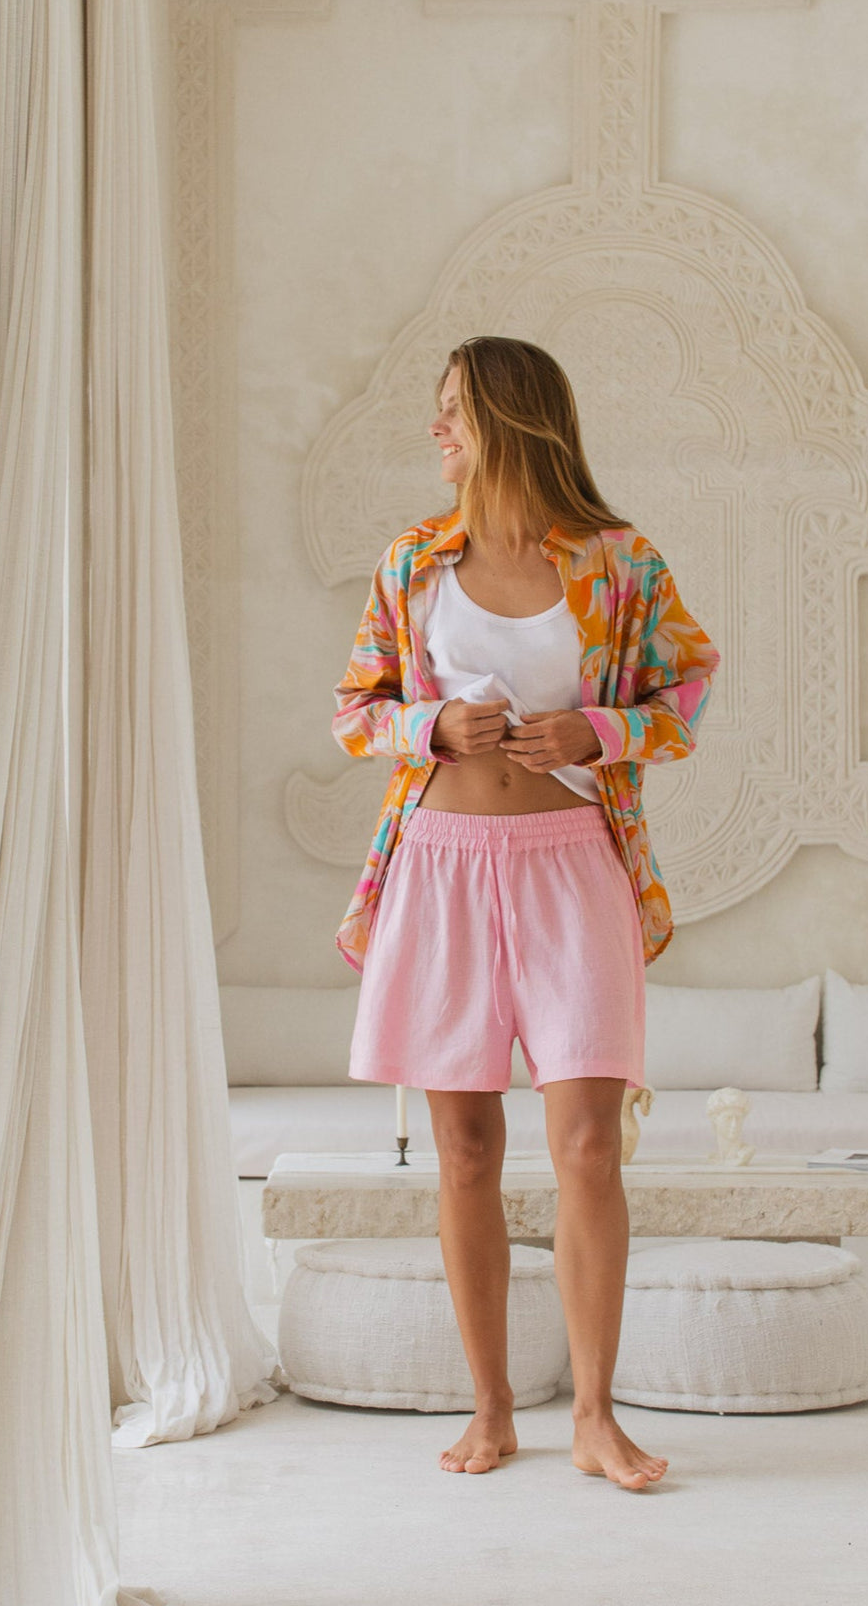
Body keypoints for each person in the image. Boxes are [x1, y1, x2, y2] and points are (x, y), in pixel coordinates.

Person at [332, 336, 719, 1490]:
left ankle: (594, 1417)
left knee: (590, 1143)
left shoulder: (616, 562)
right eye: (438, 411)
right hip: (440, 867)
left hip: (572, 866)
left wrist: (599, 733)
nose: (438, 430)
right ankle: (491, 1406)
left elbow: (687, 687)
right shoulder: (412, 562)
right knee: (463, 1149)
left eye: (455, 410)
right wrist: (431, 729)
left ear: (512, 419)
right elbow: (356, 705)